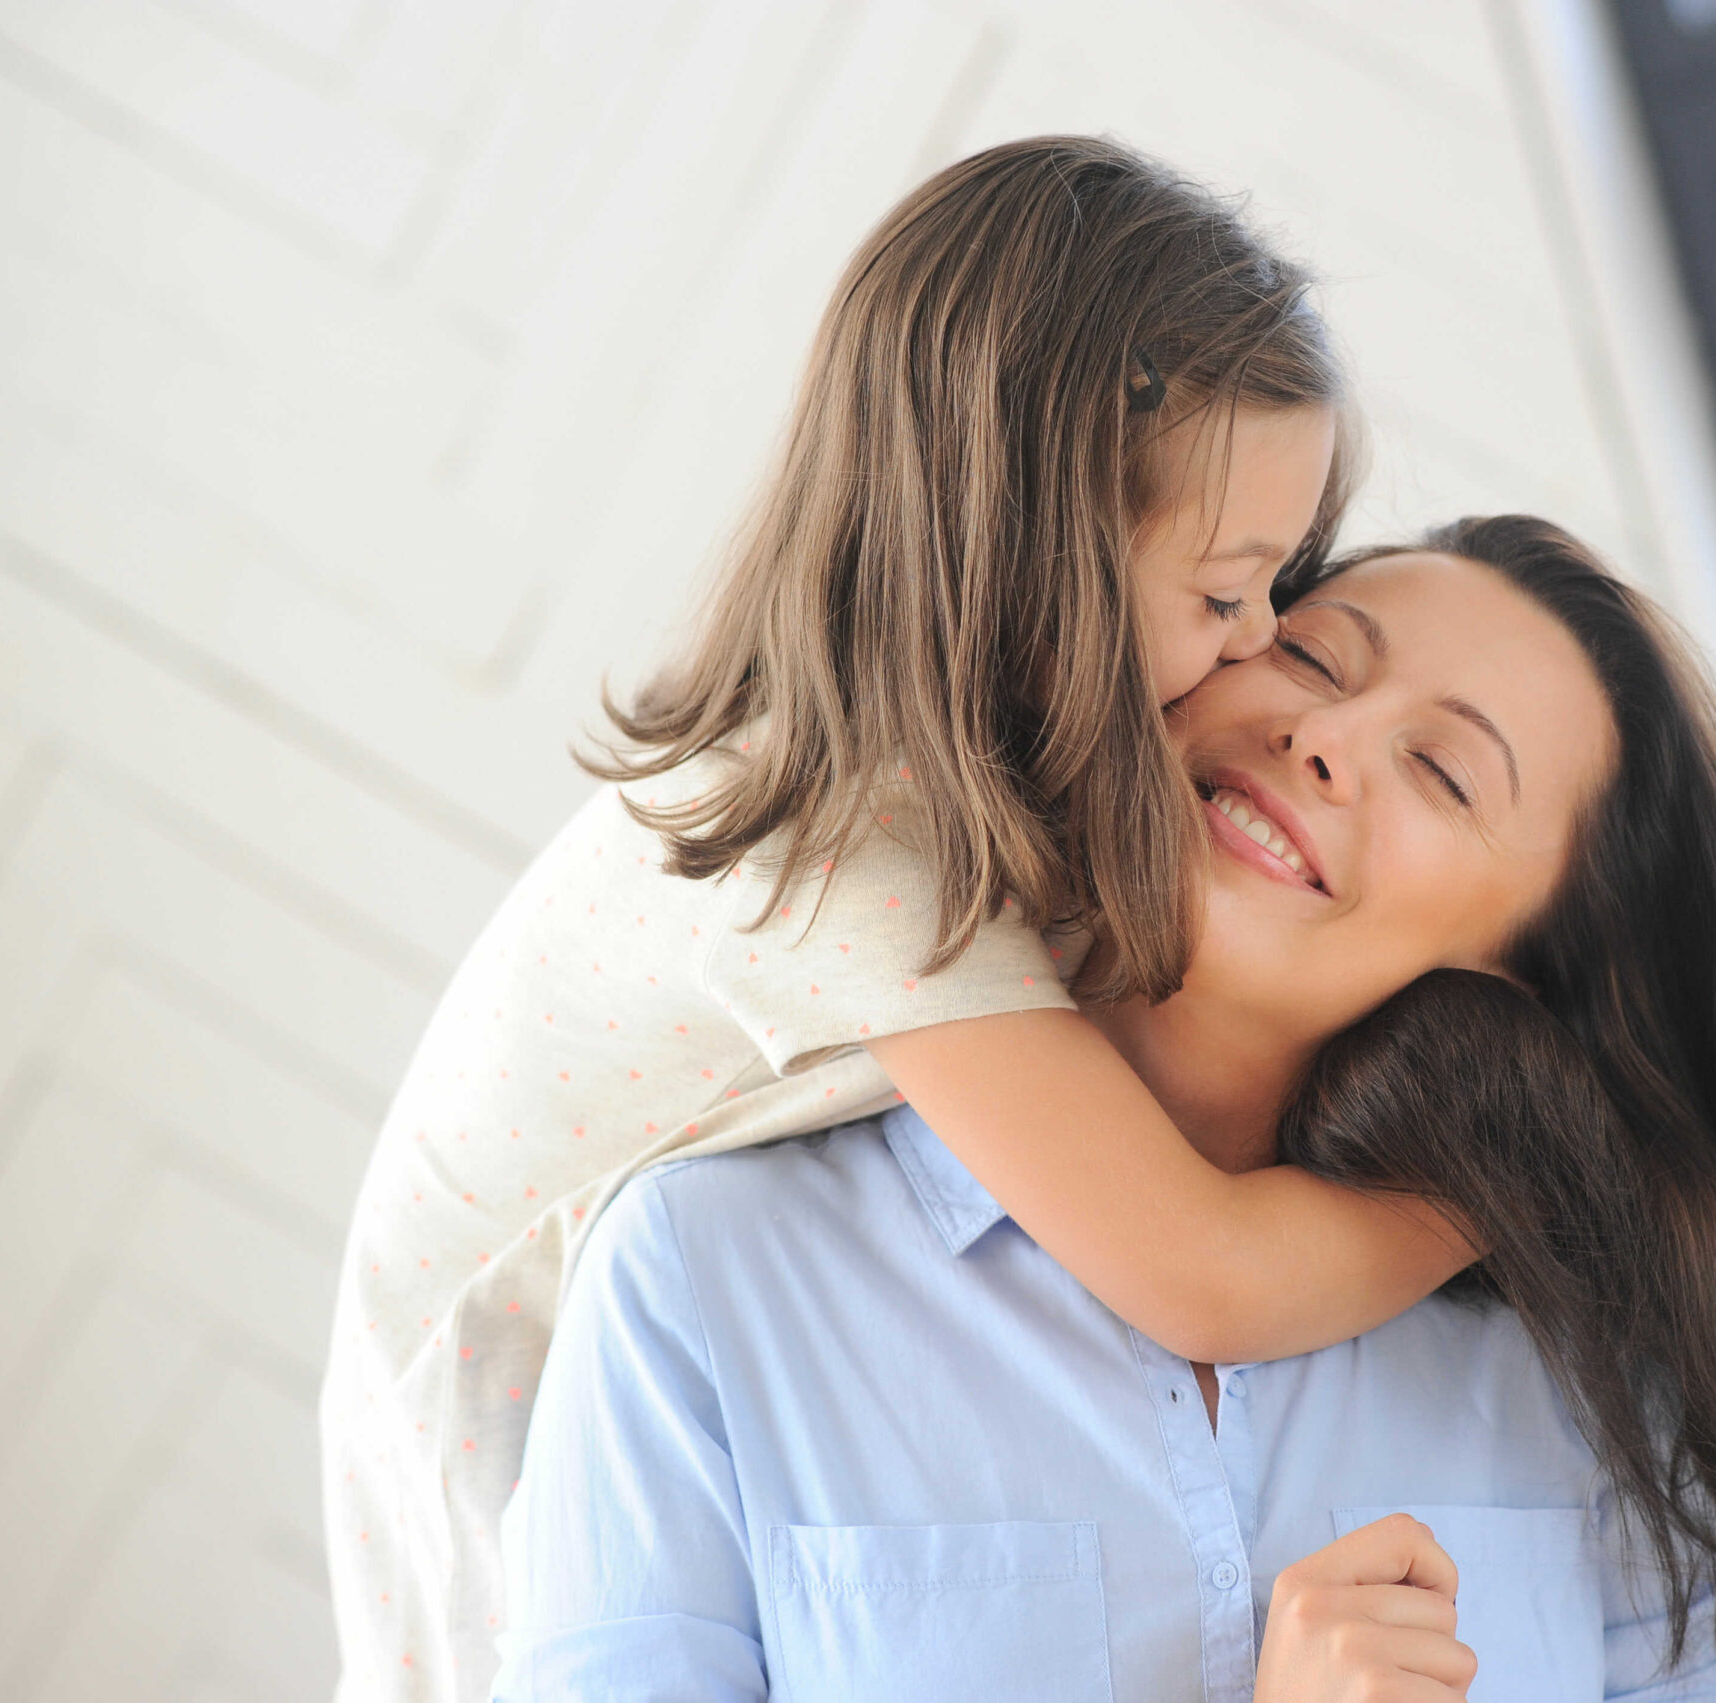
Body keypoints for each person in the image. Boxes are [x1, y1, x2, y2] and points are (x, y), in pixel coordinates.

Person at [492, 520, 1716, 1703]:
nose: (1325, 739)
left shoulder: (1576, 1382)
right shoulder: (707, 1277)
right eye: (1314, 657)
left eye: (1441, 770)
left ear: (1527, 969)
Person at [320, 137, 1475, 1701]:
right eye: (1223, 597)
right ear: (1036, 565)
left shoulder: (928, 791)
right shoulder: (840, 854)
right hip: (476, 1409)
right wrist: (1503, 1195)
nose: (1261, 641)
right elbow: (1197, 1269)